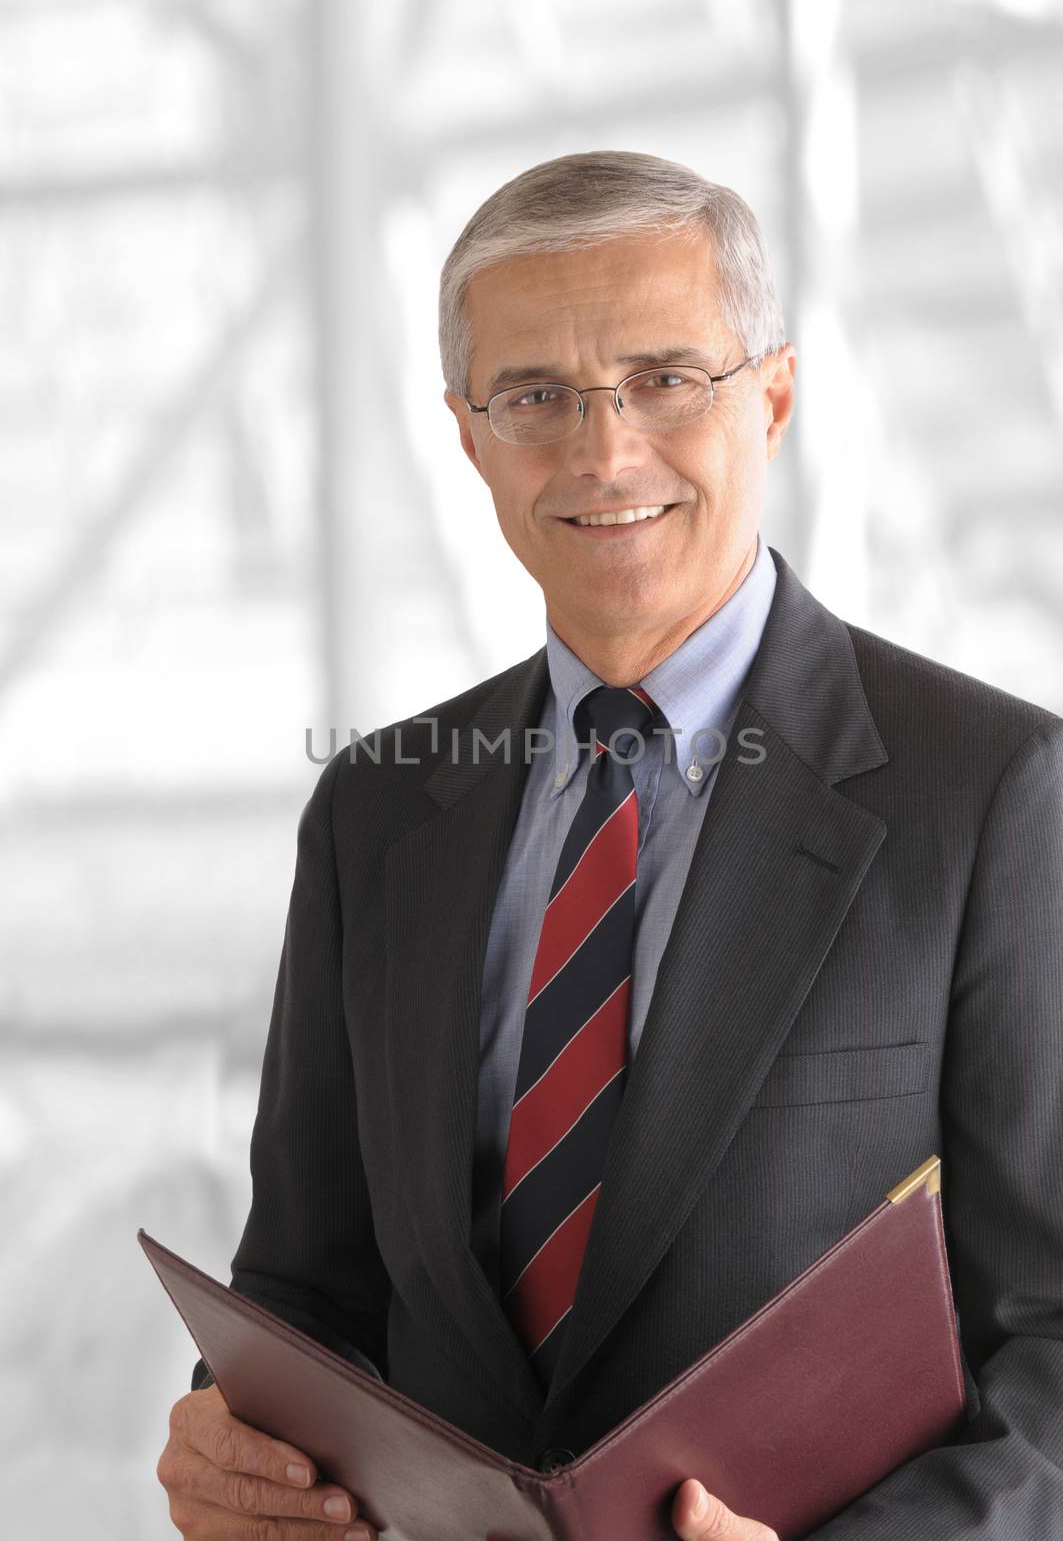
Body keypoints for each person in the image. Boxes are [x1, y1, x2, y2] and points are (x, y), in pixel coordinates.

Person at [155, 151, 1063, 1541]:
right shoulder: (379, 810)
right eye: (537, 398)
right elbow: (308, 1289)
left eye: (663, 379)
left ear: (772, 395)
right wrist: (238, 1441)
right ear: (469, 438)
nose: (602, 451)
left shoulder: (994, 795)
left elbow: (1052, 1337)